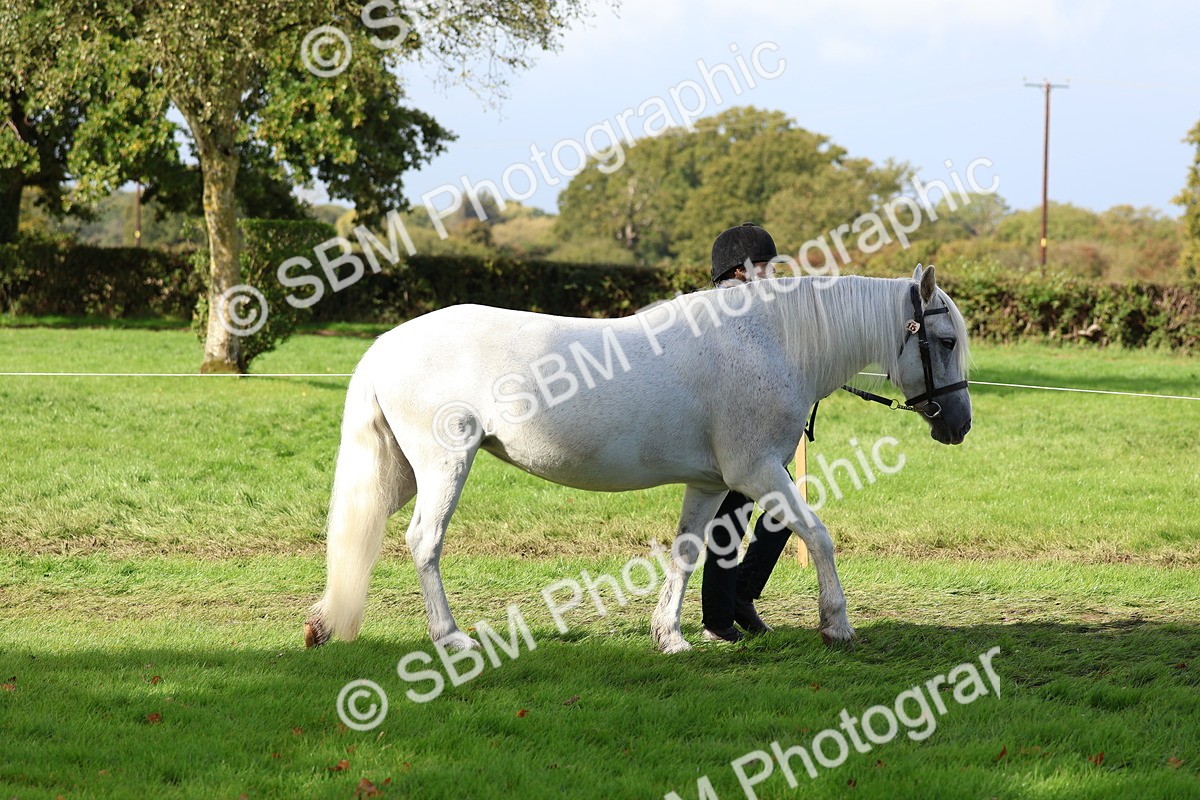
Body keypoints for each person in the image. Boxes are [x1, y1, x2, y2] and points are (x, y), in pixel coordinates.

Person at [701, 222, 794, 644]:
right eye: (766, 267)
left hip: (748, 437)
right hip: (731, 439)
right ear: (741, 272)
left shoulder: (751, 314)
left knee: (764, 514)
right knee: (732, 521)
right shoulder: (724, 316)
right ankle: (722, 616)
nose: (772, 276)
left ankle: (737, 600)